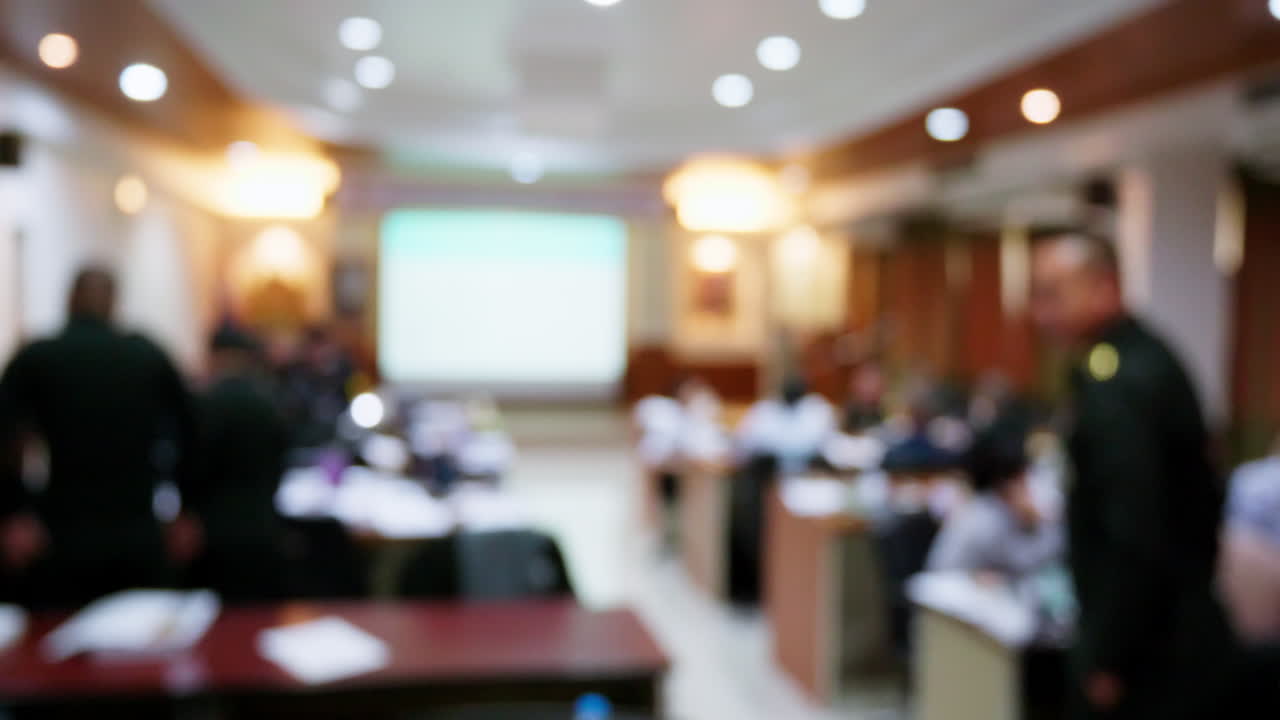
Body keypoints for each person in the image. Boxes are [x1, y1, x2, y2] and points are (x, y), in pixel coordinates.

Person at [1030, 232, 1236, 719]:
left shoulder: (1119, 381)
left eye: (1053, 293)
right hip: (1171, 628)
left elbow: (1133, 531)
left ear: (1105, 288)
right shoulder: (1139, 355)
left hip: (1154, 647)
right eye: (1036, 296)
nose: (1041, 314)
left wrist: (1108, 655)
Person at [0, 267, 197, 609]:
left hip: (62, 529)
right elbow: (191, 432)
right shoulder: (147, 355)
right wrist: (186, 506)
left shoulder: (38, 357)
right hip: (137, 526)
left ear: (69, 300)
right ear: (113, 304)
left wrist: (14, 509)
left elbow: (5, 437)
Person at [185, 325, 290, 602]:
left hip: (214, 533)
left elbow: (192, 468)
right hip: (263, 527)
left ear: (214, 356)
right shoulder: (269, 402)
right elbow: (281, 461)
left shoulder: (202, 404)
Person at [927, 420, 1063, 579]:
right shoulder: (980, 516)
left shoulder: (1038, 491)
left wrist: (1034, 522)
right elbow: (1025, 561)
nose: (1022, 484)